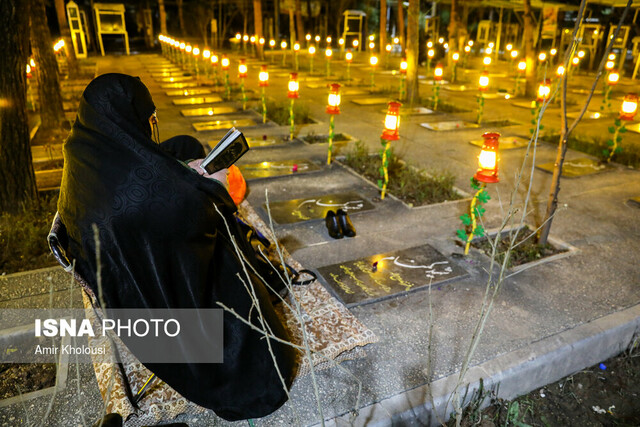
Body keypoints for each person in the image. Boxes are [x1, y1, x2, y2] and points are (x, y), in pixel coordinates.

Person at [57, 73, 296, 421]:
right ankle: (259, 300)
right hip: (169, 314)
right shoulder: (139, 200)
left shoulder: (85, 150)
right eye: (148, 119)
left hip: (127, 289)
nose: (152, 124)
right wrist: (213, 186)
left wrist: (184, 172)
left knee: (183, 147)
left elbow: (153, 187)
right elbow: (202, 216)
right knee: (225, 239)